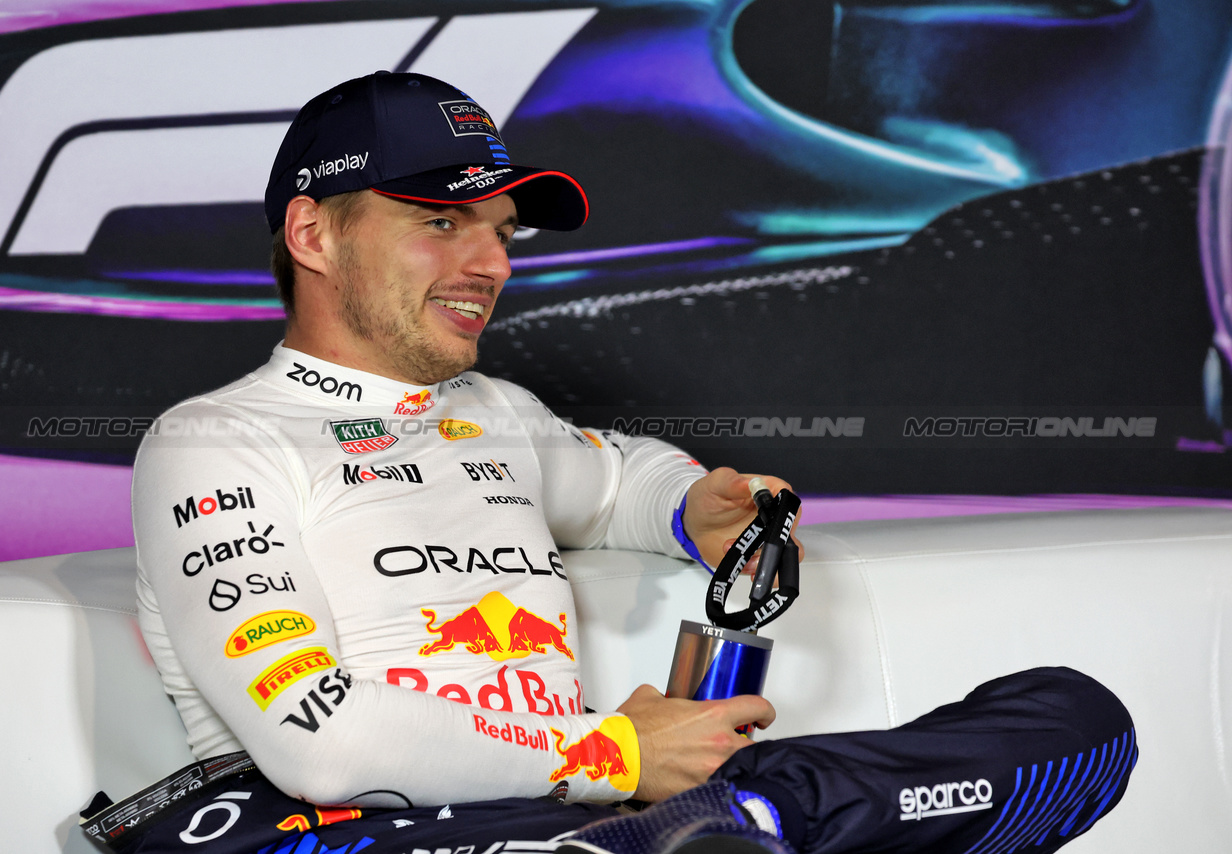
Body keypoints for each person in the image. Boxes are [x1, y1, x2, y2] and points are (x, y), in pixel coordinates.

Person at [125, 71, 1135, 854]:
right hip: (357, 830)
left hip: (588, 812)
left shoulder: (497, 415)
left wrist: (692, 507)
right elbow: (322, 741)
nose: (490, 266)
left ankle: (719, 831)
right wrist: (614, 752)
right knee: (749, 812)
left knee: (1070, 718)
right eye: (440, 224)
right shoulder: (211, 443)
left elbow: (618, 479)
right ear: (311, 232)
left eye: (499, 232)